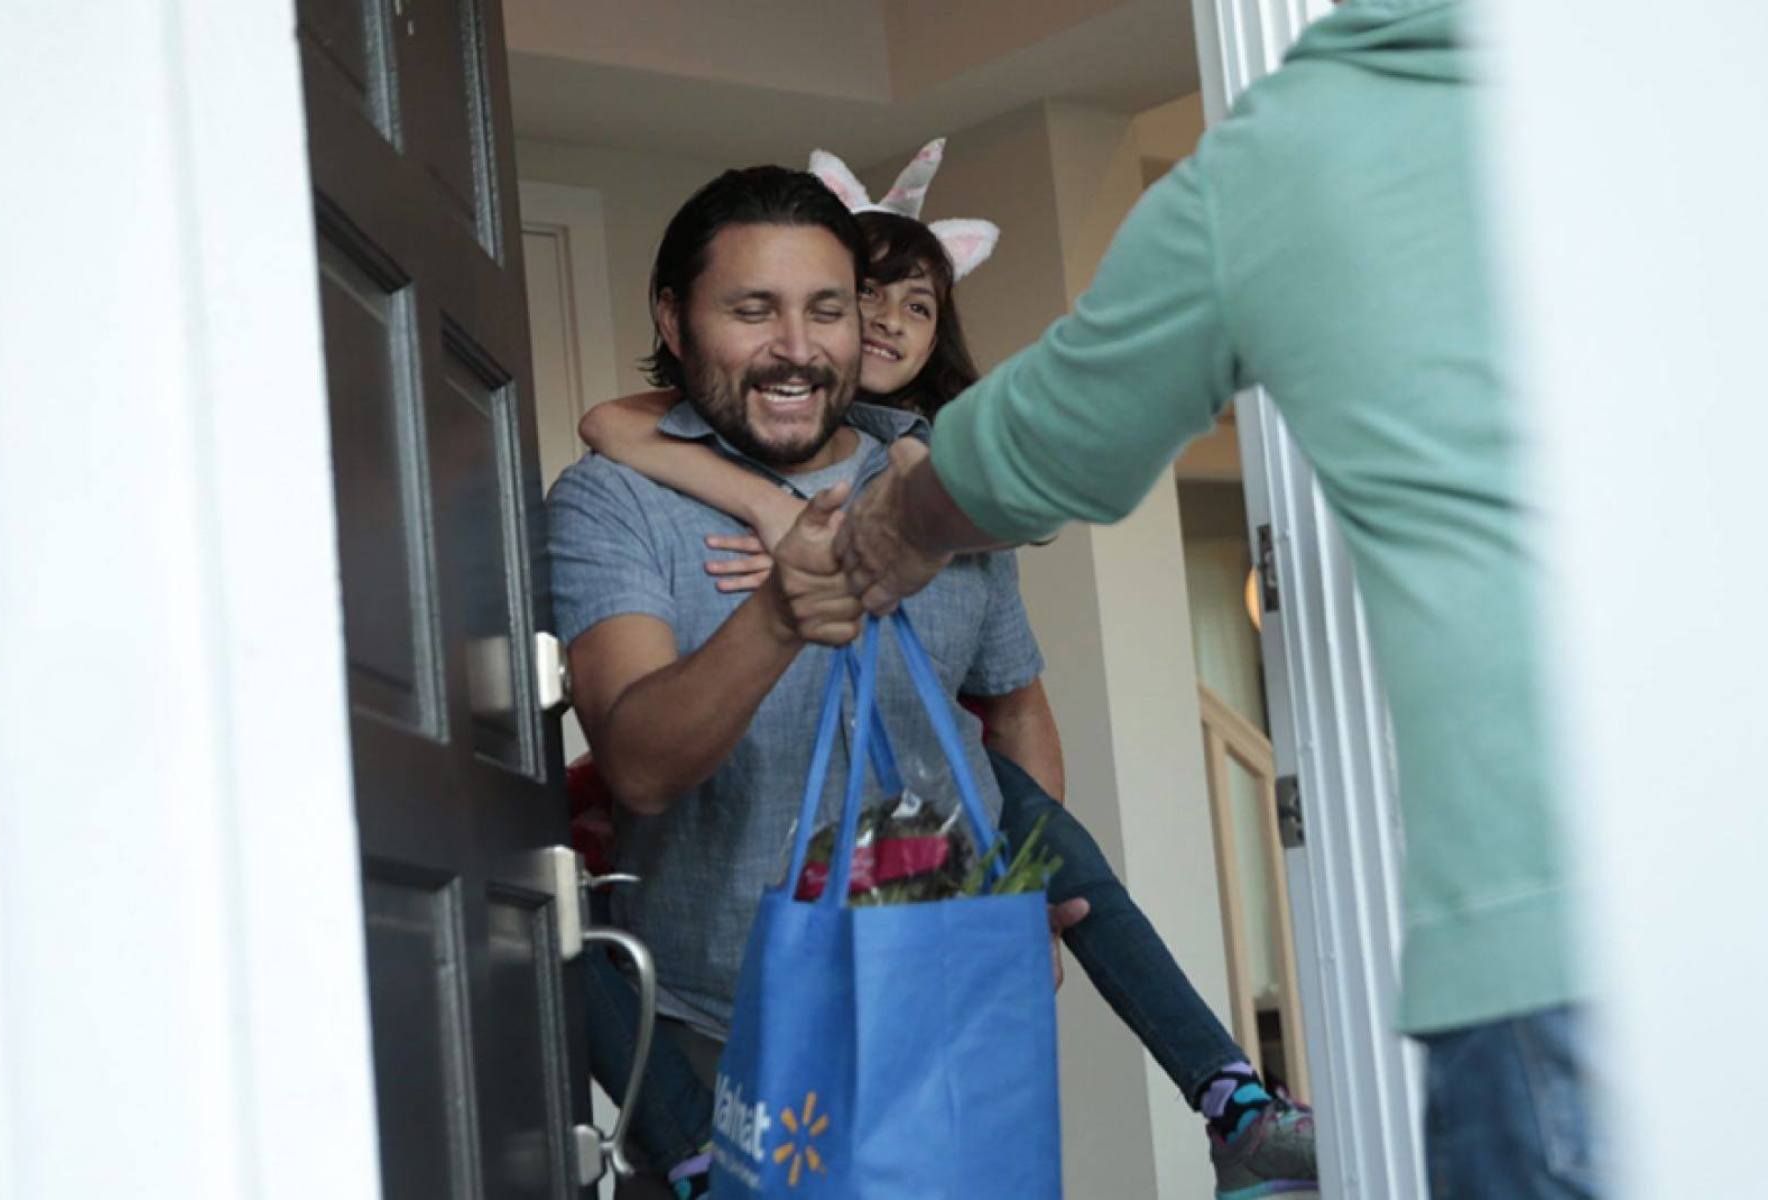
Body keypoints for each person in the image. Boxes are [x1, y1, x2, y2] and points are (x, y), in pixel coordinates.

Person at [830, 6, 1595, 1199]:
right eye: (851, 299)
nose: (875, 325)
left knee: (1017, 803)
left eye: (910, 304)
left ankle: (1227, 1091)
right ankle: (1231, 1090)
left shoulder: (1301, 143)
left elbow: (1032, 518)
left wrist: (902, 521)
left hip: (1538, 954)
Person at [567, 144, 1317, 1200]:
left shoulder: (933, 481)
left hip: (933, 999)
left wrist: (1022, 909)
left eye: (828, 309)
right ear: (671, 316)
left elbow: (1014, 716)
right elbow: (639, 767)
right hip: (715, 1020)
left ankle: (1231, 1104)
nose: (798, 346)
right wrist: (783, 605)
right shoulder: (617, 500)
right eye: (752, 310)